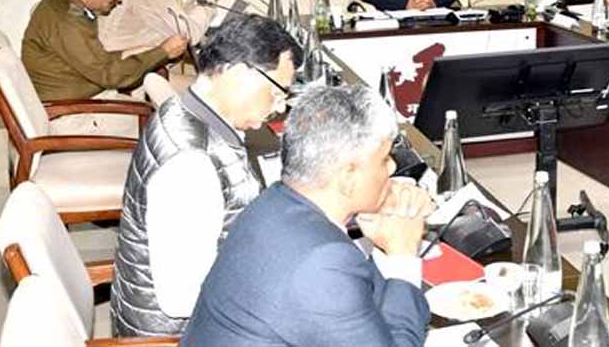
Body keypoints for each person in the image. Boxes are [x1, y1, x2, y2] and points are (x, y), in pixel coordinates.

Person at [182, 84, 434, 347]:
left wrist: (381, 232)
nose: (392, 167)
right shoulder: (323, 261)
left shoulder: (273, 202)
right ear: (348, 177)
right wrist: (403, 255)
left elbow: (359, 309)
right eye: (384, 159)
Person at [110, 15, 302, 337]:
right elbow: (184, 299)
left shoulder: (185, 108)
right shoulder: (190, 165)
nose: (279, 107)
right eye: (277, 92)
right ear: (238, 73)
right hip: (184, 334)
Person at [21, 0, 187, 102]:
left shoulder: (62, 4)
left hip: (81, 97)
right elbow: (110, 75)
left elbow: (98, 62)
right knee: (162, 116)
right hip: (75, 110)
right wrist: (162, 52)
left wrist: (144, 53)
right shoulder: (66, 18)